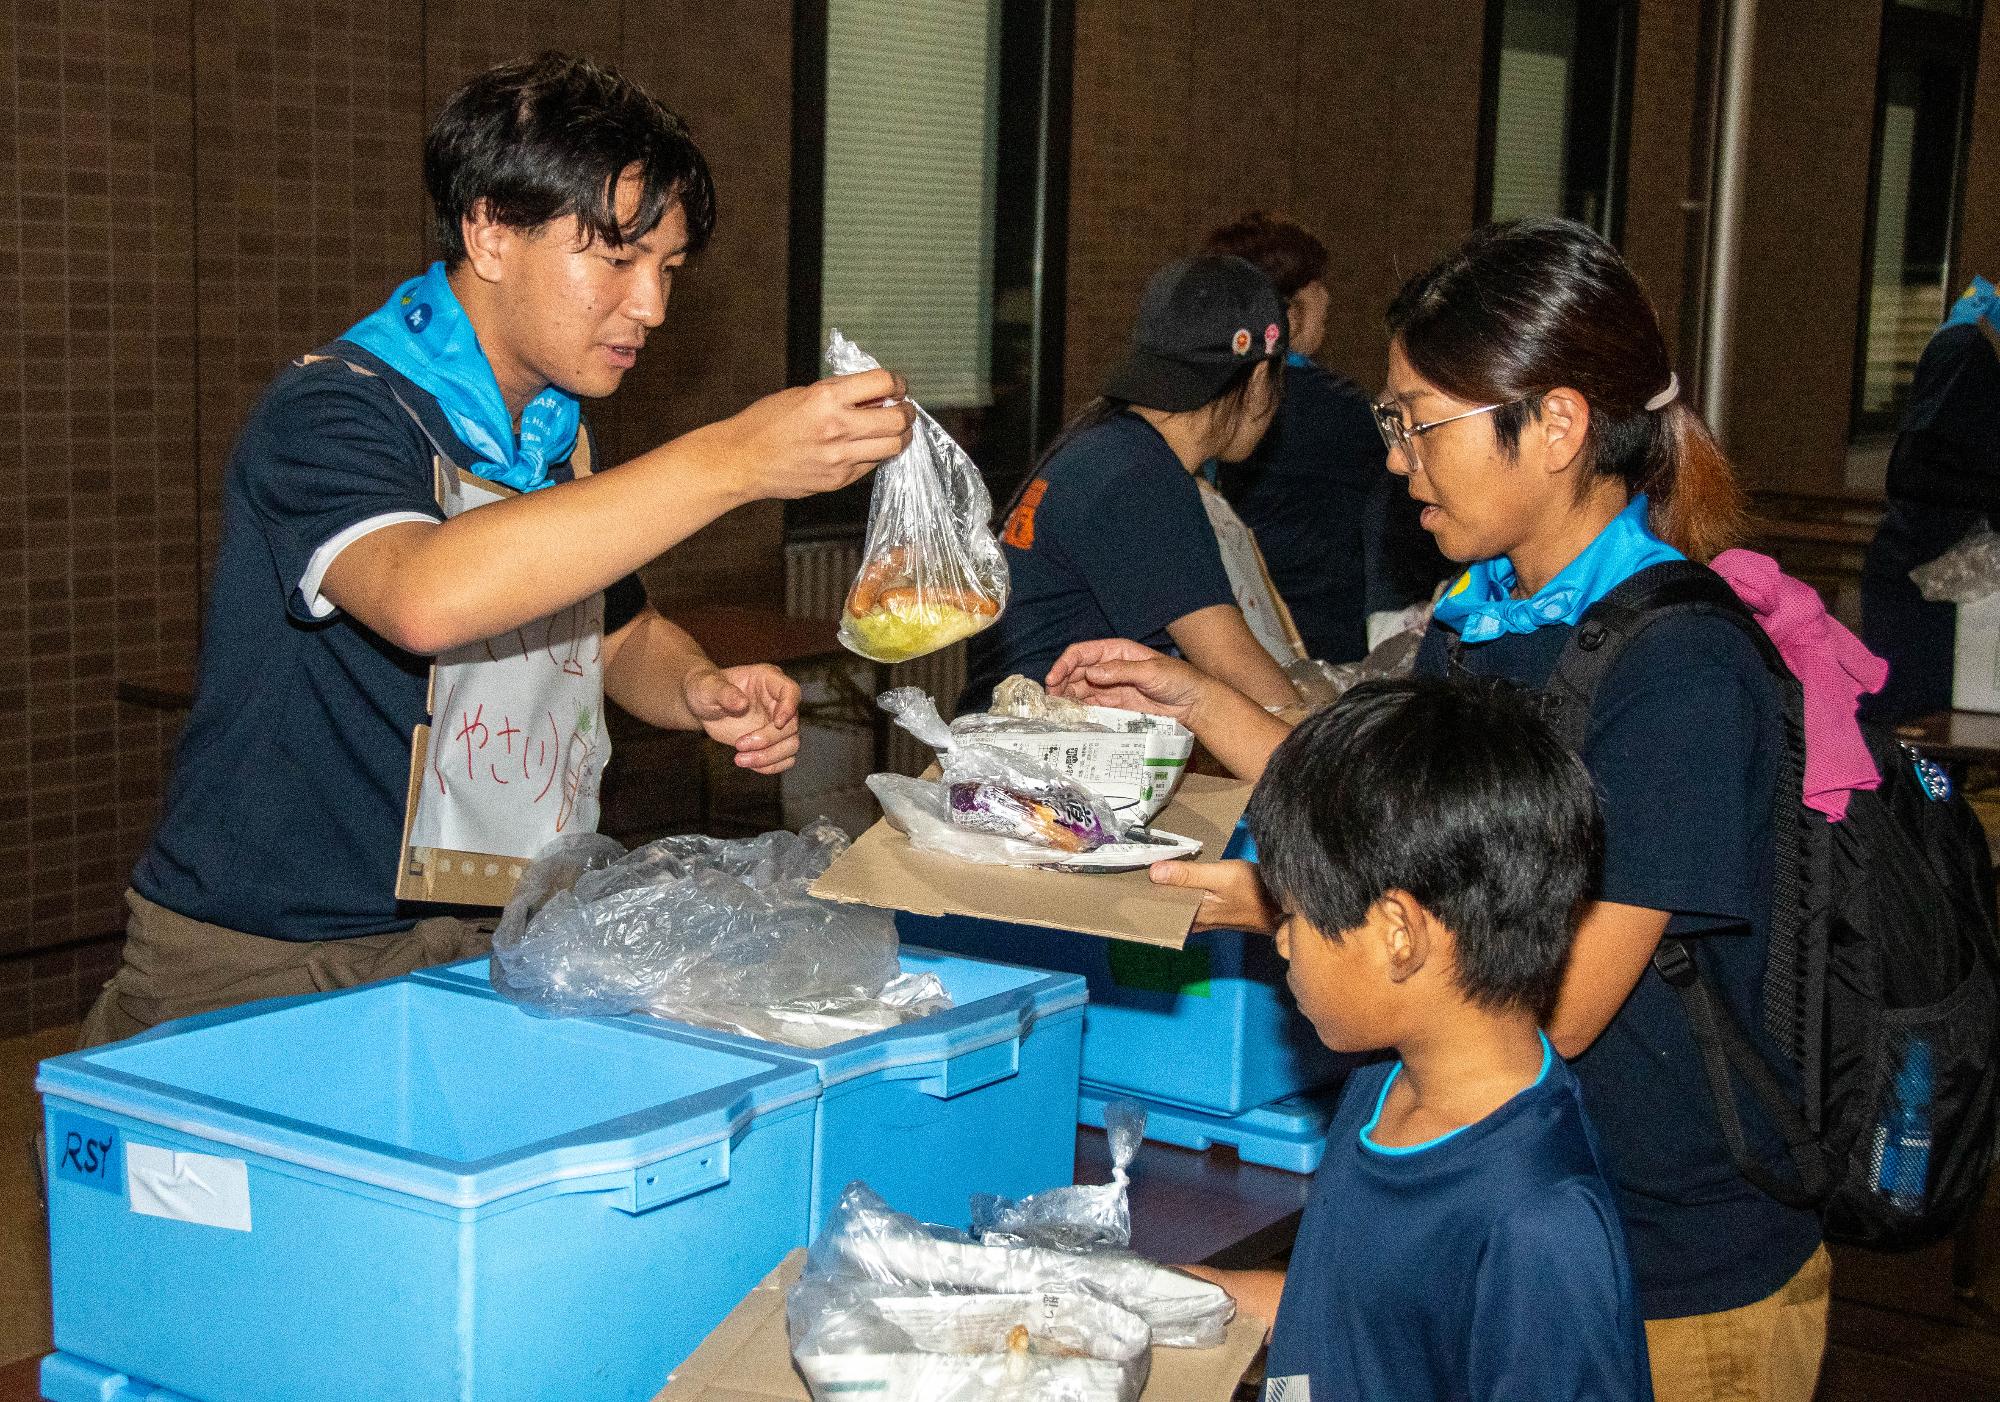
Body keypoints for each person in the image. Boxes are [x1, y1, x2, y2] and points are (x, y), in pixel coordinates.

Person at [1050, 219, 1830, 1401]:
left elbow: (1543, 1011)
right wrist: (1189, 693)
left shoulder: (1678, 670)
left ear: (1556, 422)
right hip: (1459, 1214)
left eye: (1419, 420)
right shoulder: (1485, 618)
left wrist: (1292, 917)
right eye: (1391, 420)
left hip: (1654, 1268)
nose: (1397, 456)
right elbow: (1378, 818)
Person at [83, 54, 914, 1046]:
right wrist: (733, 458)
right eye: (614, 259)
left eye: (669, 269)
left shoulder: (555, 434)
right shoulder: (334, 413)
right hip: (267, 955)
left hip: (485, 933)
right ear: (487, 230)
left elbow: (613, 632)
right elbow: (424, 594)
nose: (648, 307)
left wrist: (696, 687)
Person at [1187, 677, 1650, 1401]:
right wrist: (1181, 1294)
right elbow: (1352, 1317)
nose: (1280, 942)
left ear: (1399, 936)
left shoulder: (1539, 1224)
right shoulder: (1385, 1085)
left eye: (1296, 916)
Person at [958, 254, 1300, 714]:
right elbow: (1241, 677)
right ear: (1260, 379)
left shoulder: (1109, 448)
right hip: (1028, 766)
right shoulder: (1140, 478)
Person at [1203, 212, 1449, 662]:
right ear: (1288, 312)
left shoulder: (1211, 398)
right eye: (1319, 287)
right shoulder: (1335, 413)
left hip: (1242, 625)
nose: (1329, 300)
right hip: (1323, 640)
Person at [1858, 275, 2000, 723]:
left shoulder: (1972, 346)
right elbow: (1911, 472)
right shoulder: (1965, 351)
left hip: (1944, 573)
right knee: (1918, 725)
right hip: (1925, 578)